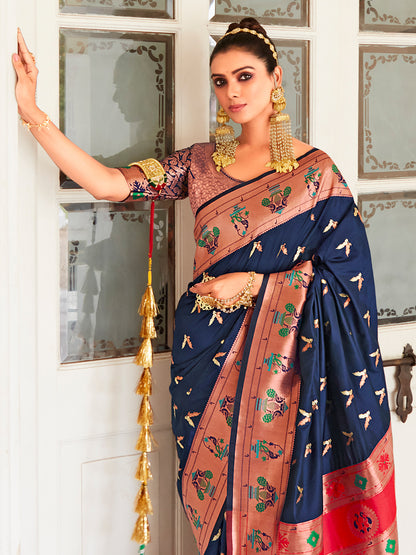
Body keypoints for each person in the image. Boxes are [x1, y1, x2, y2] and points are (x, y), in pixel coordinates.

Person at [13, 17, 397, 555]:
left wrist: (257, 286)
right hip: (207, 362)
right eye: (220, 81)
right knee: (217, 508)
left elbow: (348, 284)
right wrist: (31, 111)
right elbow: (109, 184)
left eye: (244, 76)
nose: (232, 92)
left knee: (281, 498)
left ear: (275, 78)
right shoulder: (199, 164)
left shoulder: (317, 176)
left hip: (291, 376)